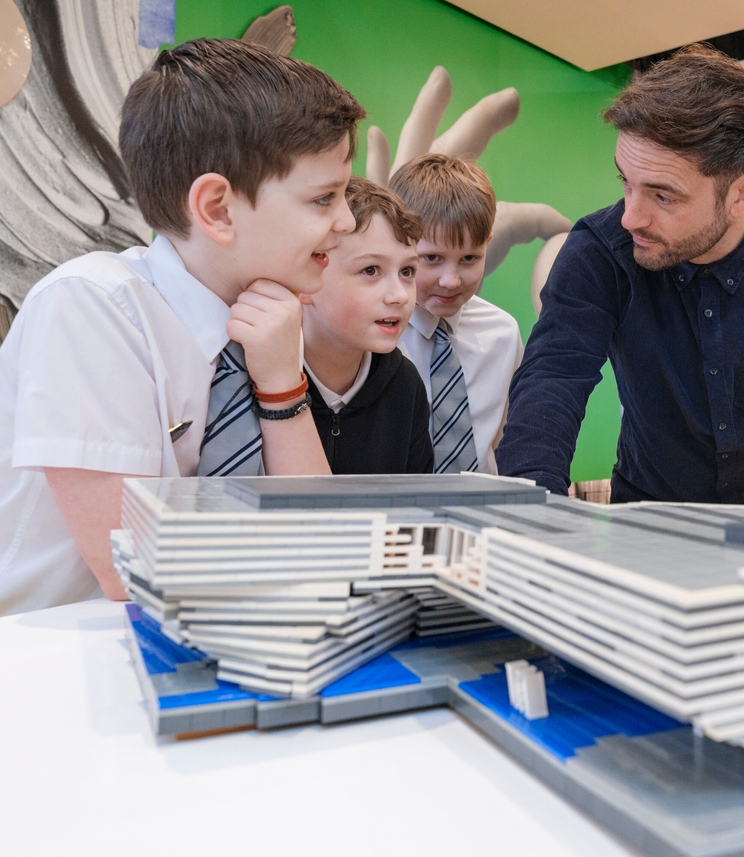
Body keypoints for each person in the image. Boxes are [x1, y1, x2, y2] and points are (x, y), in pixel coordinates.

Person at [0, 38, 366, 616]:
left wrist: (282, 388)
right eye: (324, 199)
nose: (346, 221)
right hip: (43, 658)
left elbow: (318, 539)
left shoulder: (265, 320)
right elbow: (133, 564)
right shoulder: (92, 306)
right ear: (217, 209)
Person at [495, 44, 744, 505]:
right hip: (646, 516)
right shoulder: (600, 252)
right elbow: (553, 377)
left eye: (662, 196)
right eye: (626, 182)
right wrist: (529, 511)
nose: (630, 218)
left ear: (742, 195)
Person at [391, 154, 523, 476]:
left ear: (487, 245)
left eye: (469, 258)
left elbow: (508, 439)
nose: (451, 280)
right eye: (432, 258)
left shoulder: (502, 333)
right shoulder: (375, 332)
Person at [302, 176, 434, 474]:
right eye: (371, 270)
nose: (399, 295)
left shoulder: (405, 385)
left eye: (407, 271)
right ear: (305, 277)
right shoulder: (251, 376)